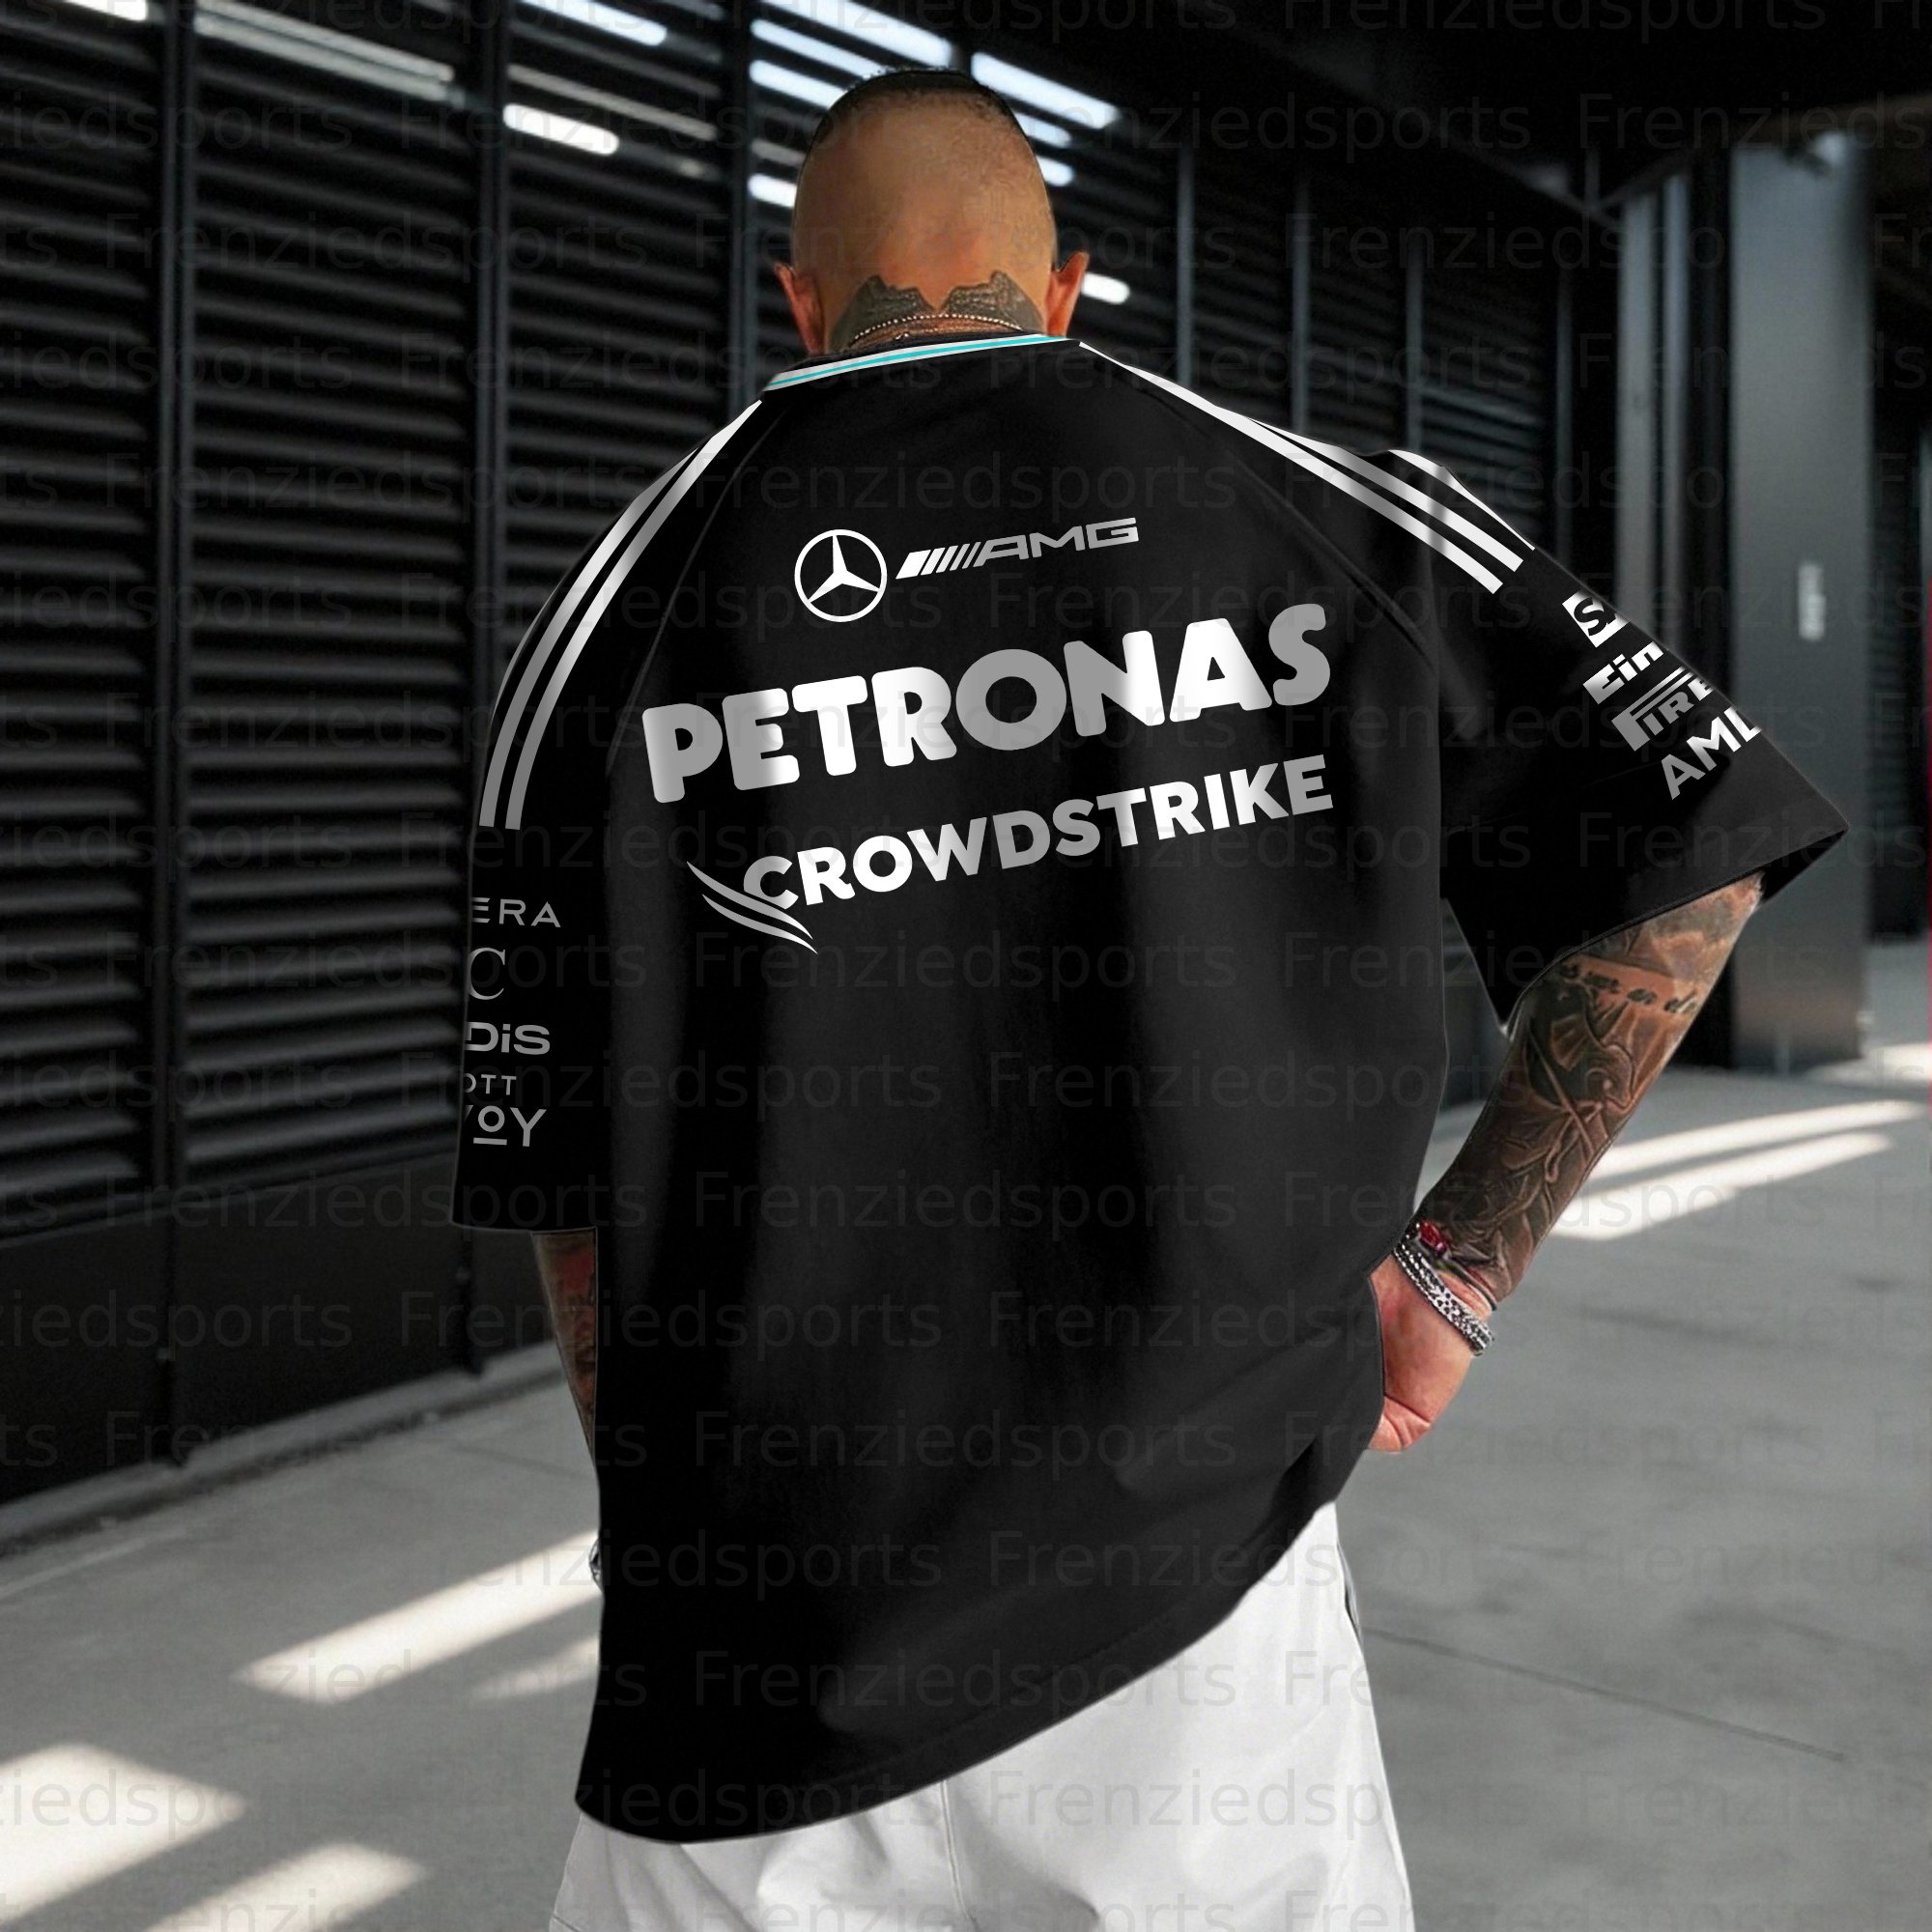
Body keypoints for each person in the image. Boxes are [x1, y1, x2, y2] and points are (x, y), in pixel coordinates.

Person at [450, 68, 1849, 1932]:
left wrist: (663, 1522)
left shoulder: (608, 618)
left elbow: (563, 1183)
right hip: (1205, 1631)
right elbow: (1689, 854)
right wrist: (1454, 1277)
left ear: (798, 297)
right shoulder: (1319, 511)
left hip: (753, 1672)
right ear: (1065, 285)